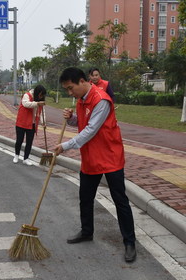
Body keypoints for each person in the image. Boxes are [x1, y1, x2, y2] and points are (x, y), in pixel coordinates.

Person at [54, 67, 136, 263]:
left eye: (71, 88)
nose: (70, 93)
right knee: (85, 197)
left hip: (110, 157)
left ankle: (130, 242)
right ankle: (86, 231)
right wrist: (72, 119)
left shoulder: (101, 100)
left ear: (83, 81)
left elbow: (91, 130)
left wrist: (66, 145)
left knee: (120, 200)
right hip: (91, 157)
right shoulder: (82, 100)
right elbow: (83, 123)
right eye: (67, 90)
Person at [13, 85, 46, 166]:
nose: (41, 96)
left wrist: (44, 122)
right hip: (22, 122)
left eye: (42, 95)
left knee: (29, 142)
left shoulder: (39, 100)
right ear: (37, 92)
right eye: (40, 94)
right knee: (19, 140)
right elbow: (26, 104)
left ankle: (26, 158)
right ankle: (16, 155)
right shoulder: (27, 95)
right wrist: (37, 103)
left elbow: (42, 112)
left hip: (32, 124)